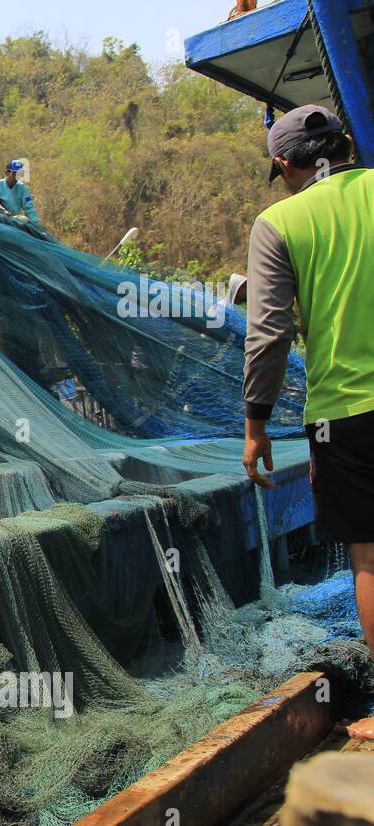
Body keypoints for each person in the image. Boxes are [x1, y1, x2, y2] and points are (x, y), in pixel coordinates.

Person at [241, 105, 374, 742]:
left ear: (285, 164)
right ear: (345, 144)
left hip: (345, 414)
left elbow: (267, 337)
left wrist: (256, 423)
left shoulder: (280, 222)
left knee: (371, 556)